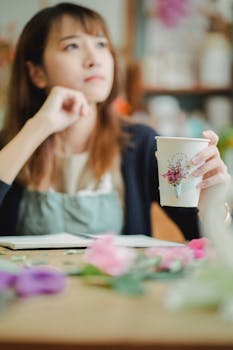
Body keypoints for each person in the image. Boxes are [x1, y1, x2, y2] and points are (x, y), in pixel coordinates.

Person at [0, 3, 230, 239]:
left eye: (101, 44)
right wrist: (38, 127)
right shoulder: (9, 149)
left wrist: (211, 203)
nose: (95, 59)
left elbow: (206, 243)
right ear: (37, 73)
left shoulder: (141, 144)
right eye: (72, 45)